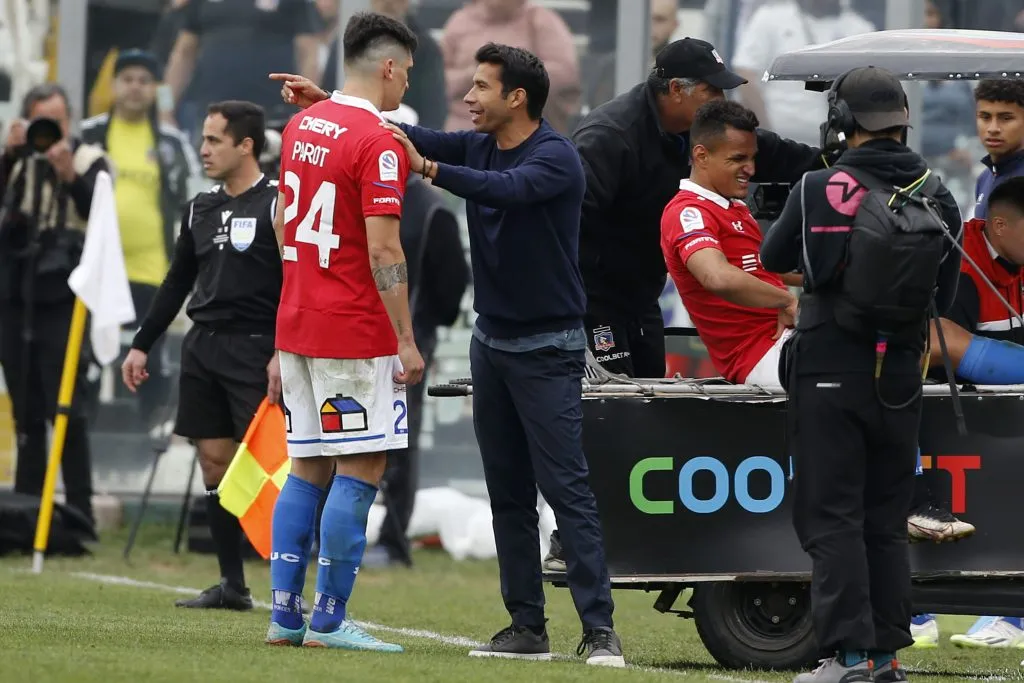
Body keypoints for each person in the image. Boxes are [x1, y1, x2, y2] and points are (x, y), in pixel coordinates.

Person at [267, 41, 626, 667]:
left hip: (548, 347)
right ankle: (526, 627)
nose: (468, 97)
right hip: (493, 343)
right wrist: (333, 106)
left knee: (566, 491)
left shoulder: (556, 158)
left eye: (481, 87)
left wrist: (428, 169)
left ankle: (600, 631)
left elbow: (503, 189)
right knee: (507, 493)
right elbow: (409, 135)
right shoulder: (479, 141)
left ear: (517, 98)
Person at [760, 66, 963, 683]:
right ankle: (884, 658)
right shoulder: (940, 191)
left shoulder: (820, 185)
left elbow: (773, 260)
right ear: (903, 121)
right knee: (883, 519)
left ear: (842, 124)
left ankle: (845, 659)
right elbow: (945, 296)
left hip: (829, 363)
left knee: (832, 518)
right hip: (901, 372)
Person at [263, 12, 424, 653]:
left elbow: (282, 221)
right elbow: (384, 248)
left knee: (305, 467)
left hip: (298, 319)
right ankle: (329, 621)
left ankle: (284, 615)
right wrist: (406, 338)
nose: (407, 84)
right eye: (406, 72)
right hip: (355, 327)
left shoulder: (303, 123)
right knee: (360, 467)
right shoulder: (379, 143)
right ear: (387, 67)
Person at [573, 37, 819, 381]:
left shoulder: (706, 131)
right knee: (615, 403)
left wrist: (845, 163)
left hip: (644, 292)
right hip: (593, 298)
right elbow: (565, 223)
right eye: (712, 91)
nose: (721, 101)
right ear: (676, 89)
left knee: (650, 393)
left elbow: (776, 153)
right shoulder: (610, 138)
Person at [121, 100, 281, 611]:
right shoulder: (200, 207)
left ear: (246, 145)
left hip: (258, 348)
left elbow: (299, 283)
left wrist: (283, 350)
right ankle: (233, 585)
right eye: (204, 139)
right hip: (203, 347)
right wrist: (142, 343)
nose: (203, 149)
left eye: (214, 140)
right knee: (213, 462)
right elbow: (177, 282)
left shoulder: (279, 204)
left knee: (273, 465)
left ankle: (292, 587)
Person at [914, 79, 1024, 650]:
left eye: (1006, 115)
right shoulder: (990, 177)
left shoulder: (1012, 182)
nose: (993, 127)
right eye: (985, 115)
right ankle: (922, 607)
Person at [363, 109, 471, 569]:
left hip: (406, 339)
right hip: (356, 331)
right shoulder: (364, 194)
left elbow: (452, 282)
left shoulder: (431, 210)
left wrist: (420, 328)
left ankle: (394, 540)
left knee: (397, 442)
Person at [0, 83, 110, 531]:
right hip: (15, 297)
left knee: (66, 405)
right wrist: (9, 156)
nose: (52, 131)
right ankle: (27, 511)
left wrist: (68, 174)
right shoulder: (16, 162)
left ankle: (79, 510)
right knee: (25, 407)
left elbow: (101, 216)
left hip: (66, 300)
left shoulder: (91, 160)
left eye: (59, 120)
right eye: (42, 120)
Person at [81, 49, 200, 431]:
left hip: (154, 272)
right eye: (127, 79)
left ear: (155, 89)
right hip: (97, 273)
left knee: (150, 359)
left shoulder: (173, 144)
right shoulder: (89, 134)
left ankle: (150, 438)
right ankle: (84, 442)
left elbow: (194, 201)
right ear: (114, 86)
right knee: (91, 361)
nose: (135, 88)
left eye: (144, 81)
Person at [659, 99, 798, 387]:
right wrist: (786, 300)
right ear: (701, 156)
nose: (750, 169)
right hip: (759, 356)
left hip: (784, 342)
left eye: (752, 158)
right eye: (738, 159)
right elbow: (717, 277)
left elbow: (761, 266)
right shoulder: (688, 212)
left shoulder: (732, 205)